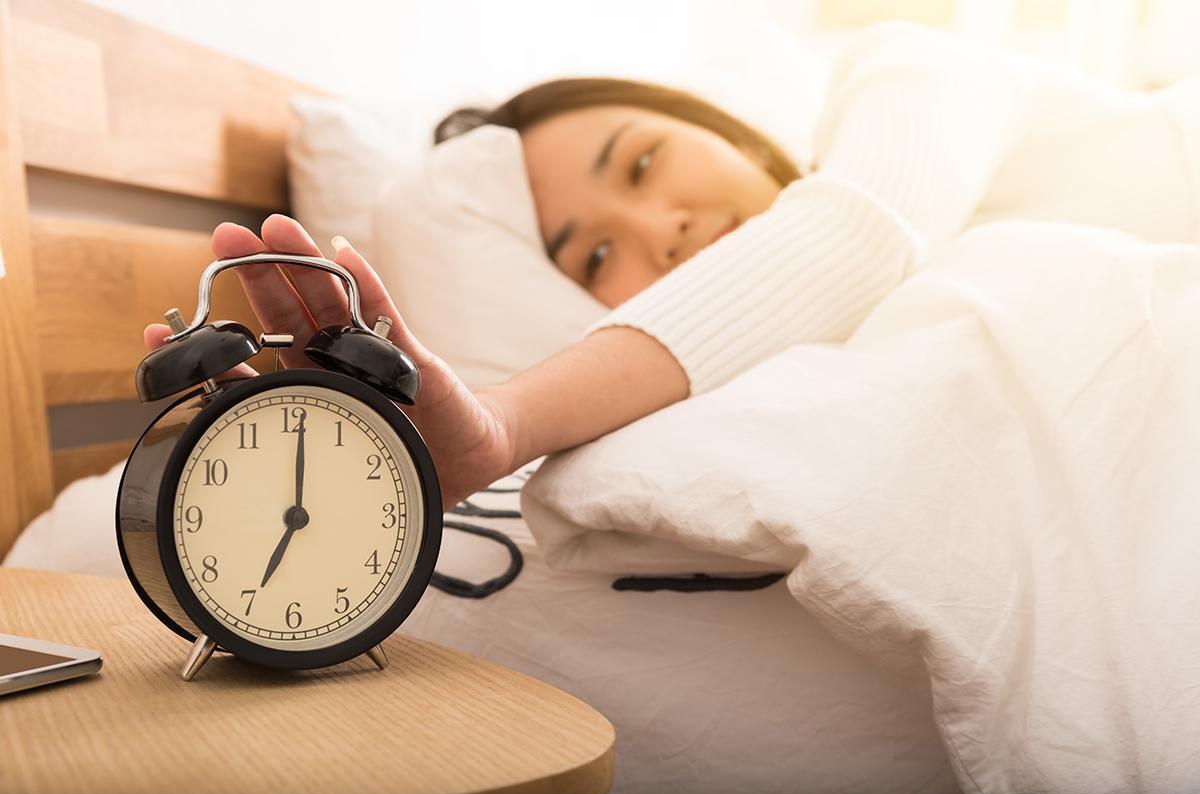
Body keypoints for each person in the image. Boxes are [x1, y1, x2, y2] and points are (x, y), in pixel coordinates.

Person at [144, 23, 1199, 512]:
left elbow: (859, 228)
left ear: (702, 119)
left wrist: (506, 427)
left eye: (644, 160)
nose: (665, 229)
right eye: (596, 255)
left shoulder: (909, 66)